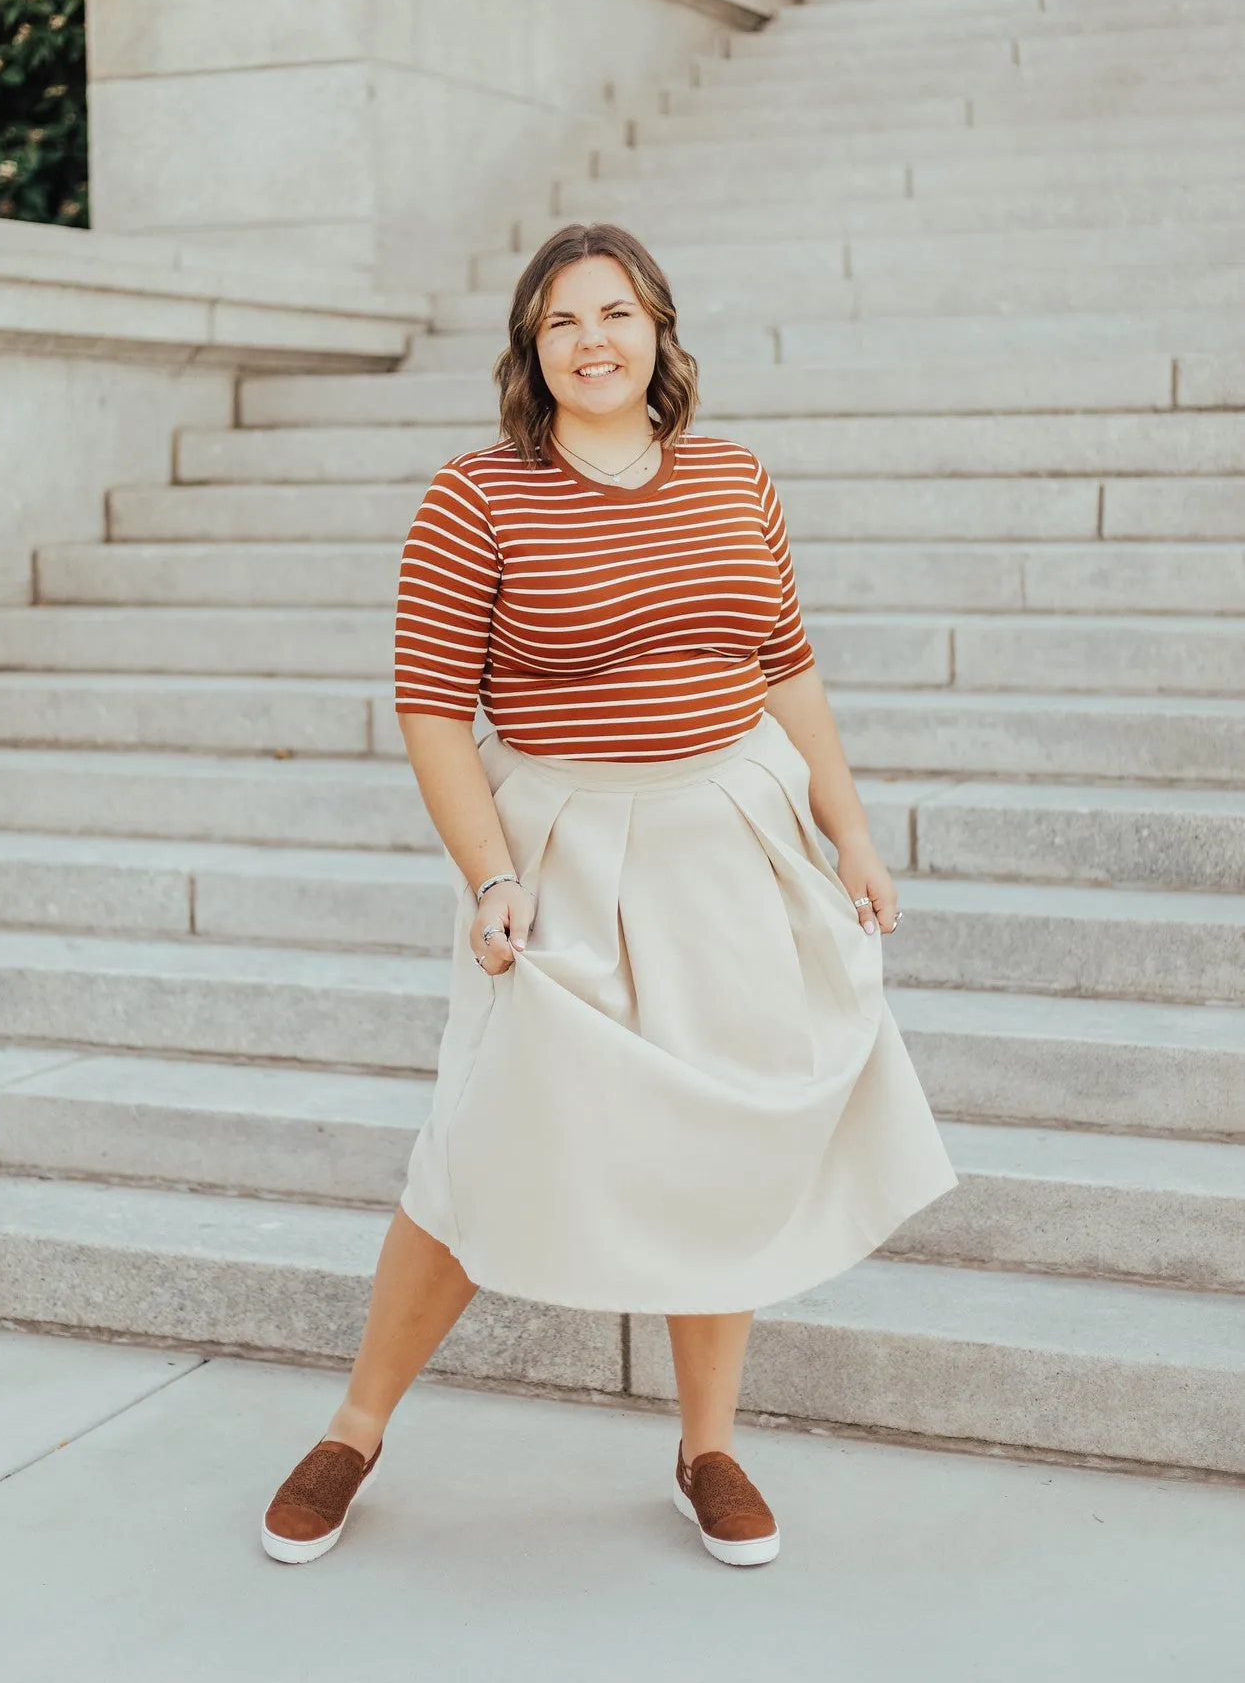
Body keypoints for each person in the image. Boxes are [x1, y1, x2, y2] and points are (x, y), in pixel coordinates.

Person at [261, 223, 956, 1570]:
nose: (594, 338)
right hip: (566, 849)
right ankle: (355, 1426)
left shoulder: (736, 478)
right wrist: (493, 875)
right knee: (481, 1140)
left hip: (735, 842)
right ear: (530, 348)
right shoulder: (474, 497)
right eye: (564, 318)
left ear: (659, 333)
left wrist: (851, 830)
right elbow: (429, 710)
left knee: (728, 1144)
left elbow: (790, 668)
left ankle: (708, 1447)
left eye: (618, 312)